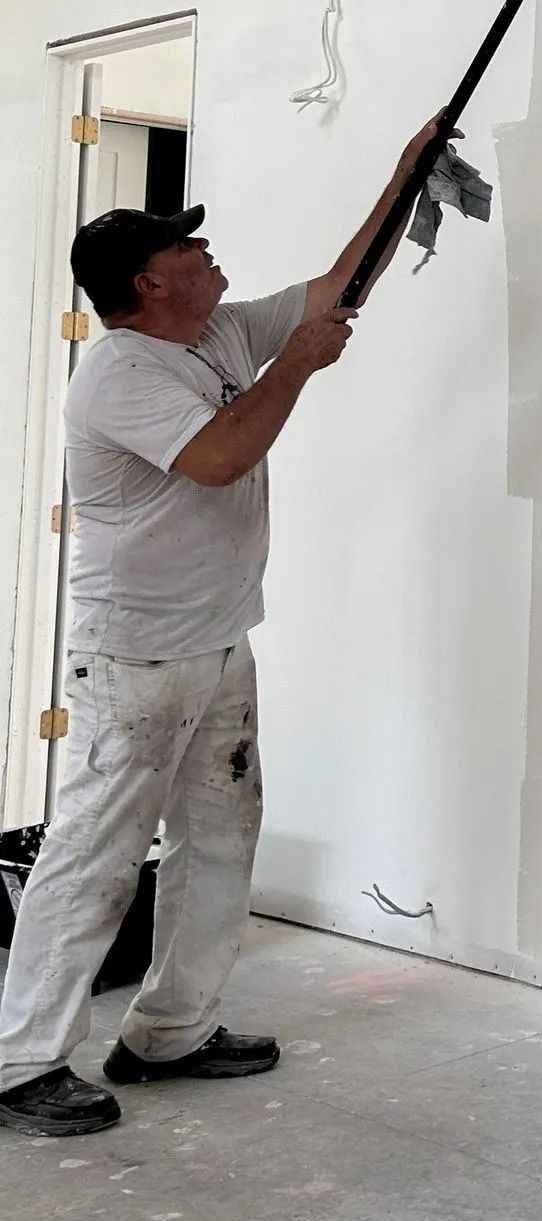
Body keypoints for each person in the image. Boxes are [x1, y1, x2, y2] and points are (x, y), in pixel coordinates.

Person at [0, 123, 443, 1137]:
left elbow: (340, 287)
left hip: (217, 640)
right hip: (135, 657)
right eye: (186, 251)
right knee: (95, 852)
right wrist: (297, 366)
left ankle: (173, 1031)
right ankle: (21, 1061)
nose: (207, 254)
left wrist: (402, 168)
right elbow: (218, 458)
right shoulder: (120, 372)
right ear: (148, 284)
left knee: (218, 838)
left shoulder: (212, 336)